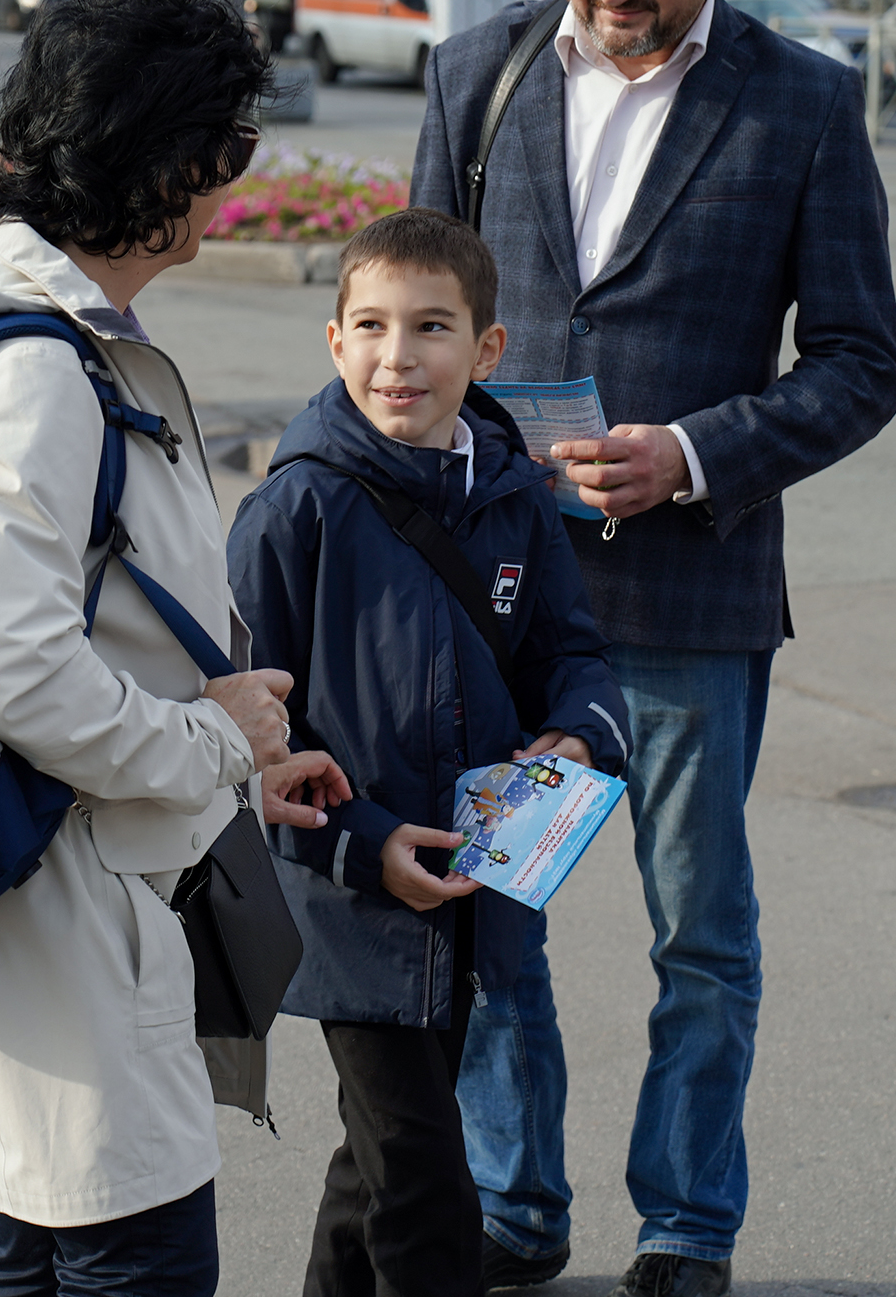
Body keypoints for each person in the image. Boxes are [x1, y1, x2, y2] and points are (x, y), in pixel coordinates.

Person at [410, 0, 896, 1297]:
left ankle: (687, 1221)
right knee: (493, 916)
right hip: (506, 601)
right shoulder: (479, 74)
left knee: (699, 933)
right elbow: (412, 311)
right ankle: (515, 1203)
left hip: (692, 600)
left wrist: (691, 453)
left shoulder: (803, 105)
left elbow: (860, 363)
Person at [0, 0, 344, 1297]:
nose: (236, 178)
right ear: (162, 165)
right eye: (230, 142)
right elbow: (12, 663)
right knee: (130, 1244)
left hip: (39, 872)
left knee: (40, 1226)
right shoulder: (37, 369)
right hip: (65, 889)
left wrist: (236, 750)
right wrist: (207, 742)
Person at [227, 209, 630, 1297]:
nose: (396, 356)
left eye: (430, 327)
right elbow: (253, 733)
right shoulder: (296, 508)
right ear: (333, 341)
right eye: (369, 325)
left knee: (375, 1167)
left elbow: (573, 655)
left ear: (486, 349)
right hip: (351, 904)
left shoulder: (511, 493)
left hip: (471, 889)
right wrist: (363, 846)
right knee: (423, 1186)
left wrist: (580, 731)